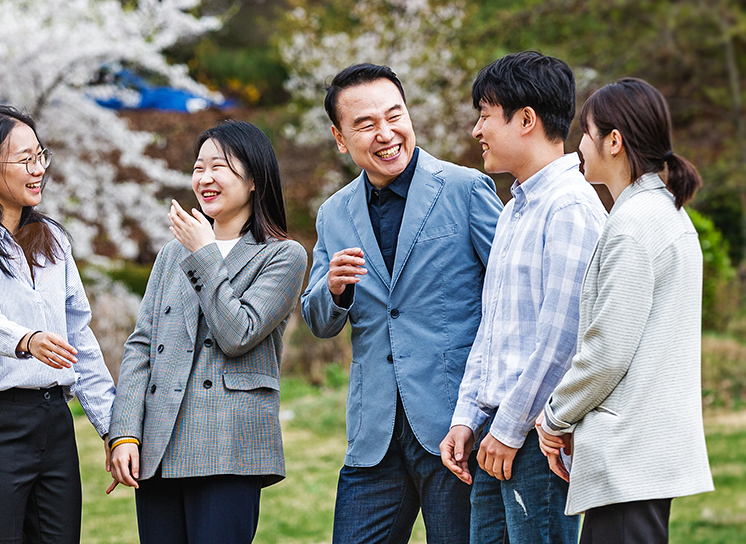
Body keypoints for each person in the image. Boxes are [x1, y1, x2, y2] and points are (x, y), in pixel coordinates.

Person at [301, 63, 504, 543]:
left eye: (394, 116)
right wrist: (334, 290)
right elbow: (318, 320)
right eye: (366, 124)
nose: (386, 133)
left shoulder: (465, 188)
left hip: (456, 425)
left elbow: (512, 291)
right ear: (339, 137)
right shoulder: (333, 213)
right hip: (374, 433)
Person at [106, 120, 308, 544]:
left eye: (220, 166)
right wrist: (124, 432)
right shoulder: (170, 254)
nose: (205, 178)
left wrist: (203, 252)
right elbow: (142, 345)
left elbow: (238, 333)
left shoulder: (283, 256)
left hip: (229, 445)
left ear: (254, 179)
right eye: (199, 167)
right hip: (159, 444)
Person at [537, 77, 714, 544]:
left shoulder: (633, 226)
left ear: (613, 142)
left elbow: (608, 350)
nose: (579, 146)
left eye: (586, 133)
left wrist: (555, 417)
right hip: (642, 457)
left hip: (629, 457)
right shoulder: (664, 214)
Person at [439, 51, 606, 543]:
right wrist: (467, 417)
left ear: (526, 120)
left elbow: (565, 339)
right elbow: (492, 331)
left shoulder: (570, 208)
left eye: (485, 116)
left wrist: (509, 429)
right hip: (497, 431)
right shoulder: (514, 208)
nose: (476, 131)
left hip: (540, 436)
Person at [0, 105, 116, 544]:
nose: (38, 170)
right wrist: (27, 339)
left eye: (41, 156)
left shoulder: (53, 240)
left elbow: (80, 338)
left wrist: (114, 427)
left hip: (54, 422)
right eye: (24, 160)